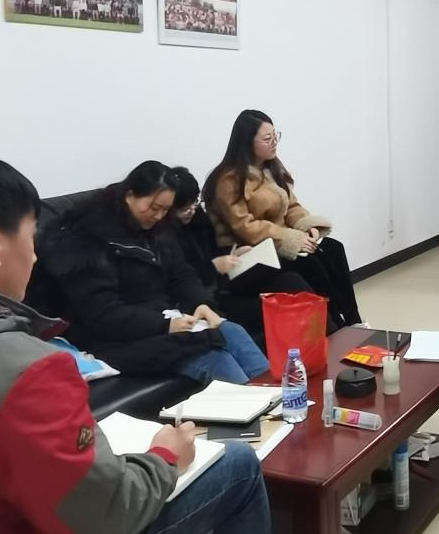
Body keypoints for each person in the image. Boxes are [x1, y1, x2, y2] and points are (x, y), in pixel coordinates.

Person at [0, 154, 271, 534]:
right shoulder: (28, 369)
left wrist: (196, 304)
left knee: (227, 331)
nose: (34, 255)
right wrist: (164, 458)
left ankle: (278, 413)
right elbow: (108, 517)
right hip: (49, 525)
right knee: (237, 463)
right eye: (29, 238)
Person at [38, 161, 269, 383]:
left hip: (161, 320)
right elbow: (102, 313)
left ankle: (276, 401)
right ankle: (258, 407)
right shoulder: (88, 240)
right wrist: (164, 325)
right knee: (216, 358)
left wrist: (201, 303)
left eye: (165, 210)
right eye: (154, 208)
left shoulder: (157, 229)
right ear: (130, 195)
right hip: (115, 339)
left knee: (231, 330)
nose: (158, 216)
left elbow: (181, 273)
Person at [204, 110, 362, 330]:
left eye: (275, 136)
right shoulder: (228, 179)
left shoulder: (271, 168)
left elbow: (291, 206)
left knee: (333, 249)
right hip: (249, 253)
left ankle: (354, 320)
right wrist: (289, 238)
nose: (274, 143)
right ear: (247, 142)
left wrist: (307, 227)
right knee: (311, 263)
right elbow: (245, 227)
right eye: (267, 139)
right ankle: (335, 325)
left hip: (278, 244)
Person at [169, 166, 312, 344]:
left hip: (225, 280)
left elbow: (213, 250)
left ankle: (326, 334)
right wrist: (213, 267)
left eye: (194, 203)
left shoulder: (199, 219)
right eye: (183, 208)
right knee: (275, 305)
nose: (191, 210)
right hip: (207, 295)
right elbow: (182, 277)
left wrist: (232, 254)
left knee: (291, 278)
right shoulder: (166, 234)